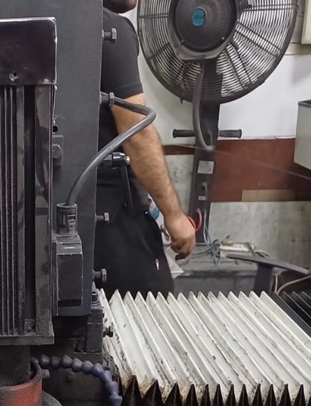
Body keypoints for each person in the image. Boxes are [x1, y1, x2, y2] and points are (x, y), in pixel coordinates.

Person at [95, 0, 196, 295]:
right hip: (110, 218)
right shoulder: (108, 29)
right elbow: (136, 134)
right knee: (150, 306)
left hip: (41, 216)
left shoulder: (32, 17)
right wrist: (174, 216)